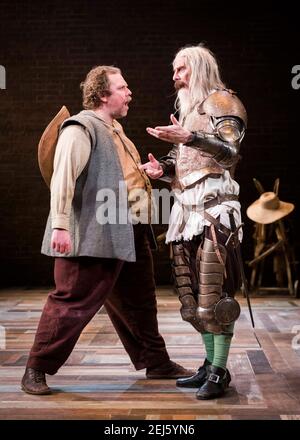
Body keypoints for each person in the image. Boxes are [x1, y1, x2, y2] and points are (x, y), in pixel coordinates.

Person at [21, 65, 193, 395]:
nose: (130, 93)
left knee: (139, 300)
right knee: (72, 301)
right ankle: (36, 368)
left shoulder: (115, 129)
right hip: (95, 231)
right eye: (122, 88)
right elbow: (63, 178)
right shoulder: (80, 127)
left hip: (129, 228)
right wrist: (60, 225)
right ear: (103, 94)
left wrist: (151, 174)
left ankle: (156, 362)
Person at [141, 44, 247, 399]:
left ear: (200, 69)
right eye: (174, 70)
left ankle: (219, 372)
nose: (175, 78)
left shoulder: (223, 103)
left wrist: (191, 137)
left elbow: (231, 154)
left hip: (215, 208)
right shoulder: (188, 112)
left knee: (214, 299)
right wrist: (162, 170)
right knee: (191, 302)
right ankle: (209, 363)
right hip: (185, 209)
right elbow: (182, 160)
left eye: (181, 69)